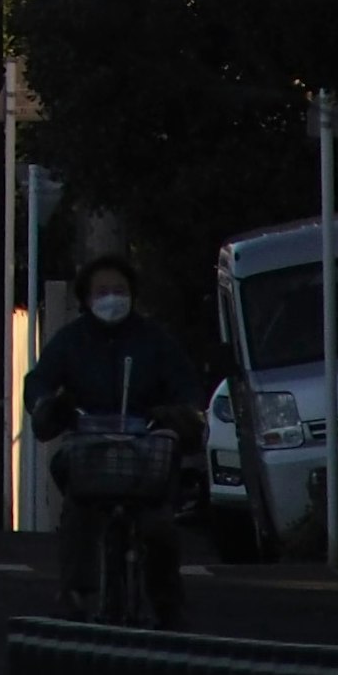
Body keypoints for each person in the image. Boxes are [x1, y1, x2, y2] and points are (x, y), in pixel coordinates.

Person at [30, 214, 208, 622]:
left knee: (159, 527)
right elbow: (40, 383)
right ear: (86, 299)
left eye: (119, 290)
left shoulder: (154, 340)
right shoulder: (70, 342)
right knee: (78, 516)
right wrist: (49, 405)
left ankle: (166, 602)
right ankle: (76, 592)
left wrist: (178, 415)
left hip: (146, 455)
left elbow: (186, 388)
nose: (112, 298)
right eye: (103, 291)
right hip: (90, 456)